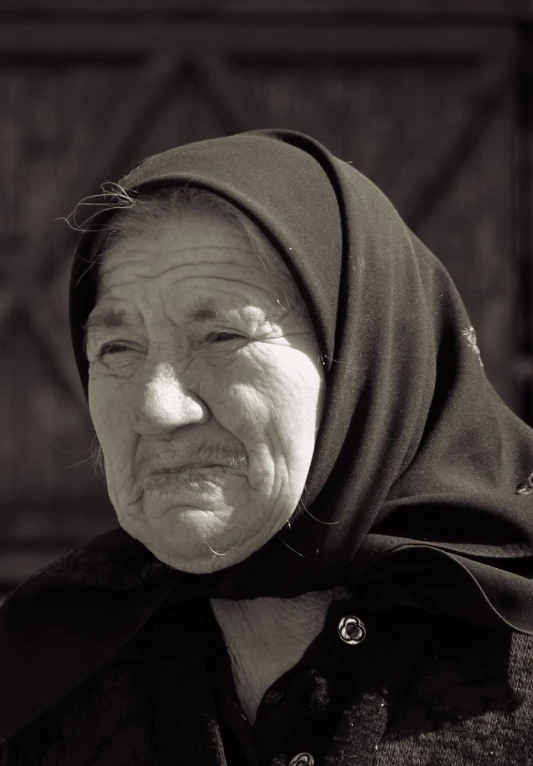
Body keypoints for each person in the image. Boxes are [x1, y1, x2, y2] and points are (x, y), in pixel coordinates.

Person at [1, 129, 533, 766]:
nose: (155, 409)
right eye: (117, 349)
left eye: (222, 337)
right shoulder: (45, 669)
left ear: (365, 366)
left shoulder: (512, 650)